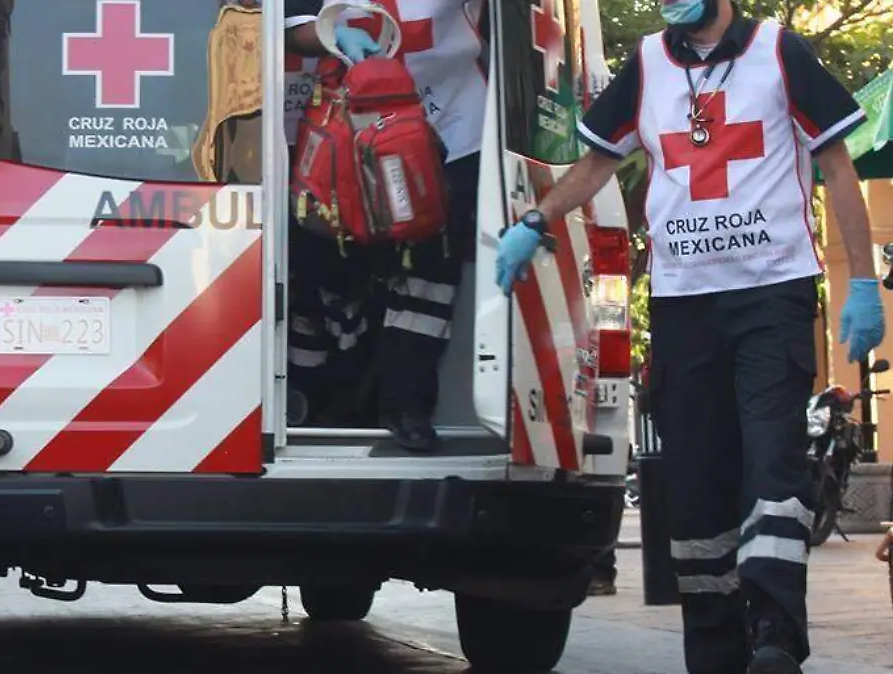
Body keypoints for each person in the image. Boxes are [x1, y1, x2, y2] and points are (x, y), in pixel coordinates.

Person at [495, 1, 882, 672]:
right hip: (683, 306)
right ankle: (714, 649)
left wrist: (865, 283)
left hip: (771, 295)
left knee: (771, 467)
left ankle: (774, 634)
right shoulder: (647, 63)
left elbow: (838, 166)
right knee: (698, 486)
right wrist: (537, 219)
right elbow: (597, 163)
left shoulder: (777, 51)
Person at [284, 0, 487, 449]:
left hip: (453, 128)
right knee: (327, 271)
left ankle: (406, 407)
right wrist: (331, 35)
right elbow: (289, 24)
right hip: (346, 131)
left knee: (430, 274)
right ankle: (321, 405)